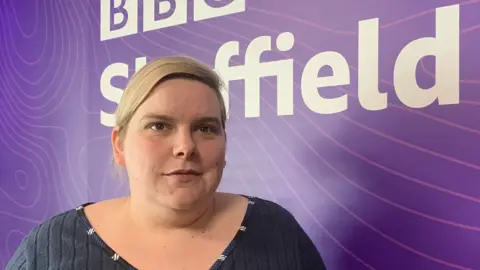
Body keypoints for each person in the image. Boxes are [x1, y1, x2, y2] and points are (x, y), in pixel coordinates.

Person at [5, 56, 327, 270]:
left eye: (205, 128)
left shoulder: (276, 231)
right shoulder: (51, 247)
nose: (185, 147)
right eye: (159, 125)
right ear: (119, 145)